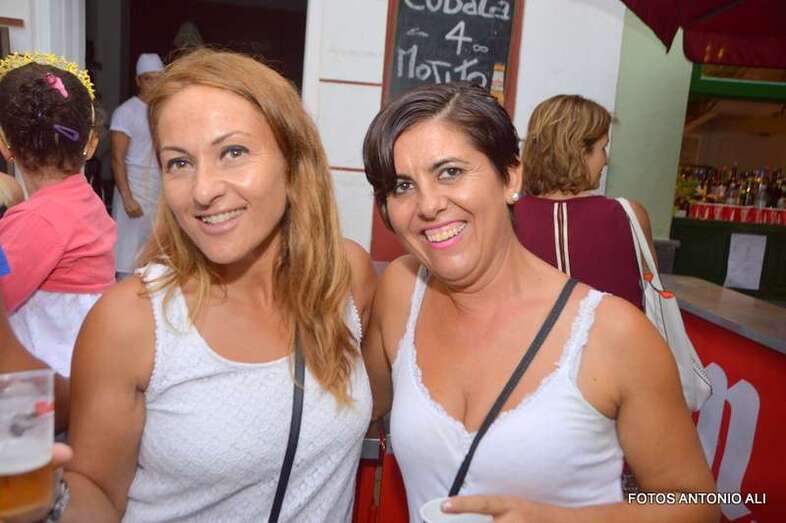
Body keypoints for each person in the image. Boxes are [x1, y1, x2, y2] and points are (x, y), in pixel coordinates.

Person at [362, 83, 717, 522]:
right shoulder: (401, 292)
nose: (429, 205)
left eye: (450, 172)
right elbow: (360, 410)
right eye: (402, 185)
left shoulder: (613, 334)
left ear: (511, 177)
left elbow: (696, 505)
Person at [47, 49, 376, 522]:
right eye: (179, 163)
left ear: (293, 160)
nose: (203, 191)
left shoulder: (344, 278)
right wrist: (46, 504)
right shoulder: (132, 321)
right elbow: (96, 488)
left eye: (233, 153)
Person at [0, 53, 116, 405]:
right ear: (88, 143)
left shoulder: (40, 219)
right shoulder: (84, 200)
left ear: (5, 145)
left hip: (50, 389)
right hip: (84, 372)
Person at [514, 94, 657, 309]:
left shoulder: (507, 217)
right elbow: (652, 288)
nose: (606, 160)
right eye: (603, 148)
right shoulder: (629, 215)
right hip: (618, 331)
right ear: (580, 151)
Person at [111, 53, 164, 278]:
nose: (154, 84)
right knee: (127, 254)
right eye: (148, 79)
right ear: (138, 81)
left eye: (158, 78)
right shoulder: (125, 112)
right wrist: (127, 198)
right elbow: (117, 158)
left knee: (154, 253)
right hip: (133, 190)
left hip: (158, 190)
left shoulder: (164, 110)